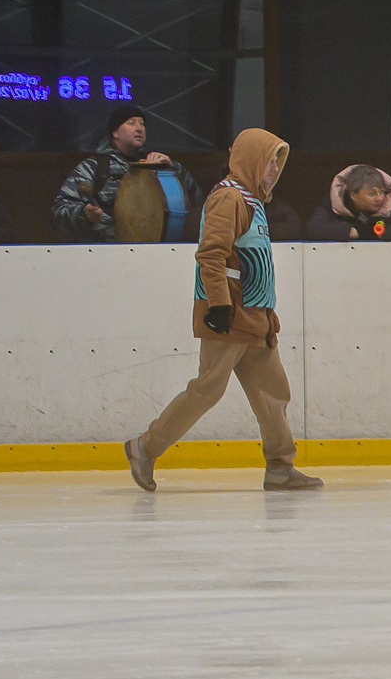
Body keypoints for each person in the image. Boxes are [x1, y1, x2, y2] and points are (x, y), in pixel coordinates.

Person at [123, 127, 320, 494]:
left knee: (274, 393)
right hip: (229, 314)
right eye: (269, 161)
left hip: (255, 315)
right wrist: (218, 305)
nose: (274, 169)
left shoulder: (253, 201)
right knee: (207, 389)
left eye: (278, 162)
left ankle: (280, 467)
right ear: (251, 160)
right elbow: (211, 254)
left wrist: (264, 313)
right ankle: (145, 447)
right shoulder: (229, 197)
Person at [52, 104, 200, 242]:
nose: (139, 128)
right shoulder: (94, 167)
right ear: (115, 132)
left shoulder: (156, 165)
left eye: (142, 124)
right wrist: (83, 215)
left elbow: (198, 200)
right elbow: (58, 213)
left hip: (154, 251)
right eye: (131, 123)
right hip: (106, 252)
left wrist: (174, 169)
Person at [306, 165, 391, 241]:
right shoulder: (333, 206)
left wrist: (383, 233)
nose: (380, 198)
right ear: (353, 195)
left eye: (382, 192)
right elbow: (314, 229)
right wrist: (354, 232)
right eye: (372, 193)